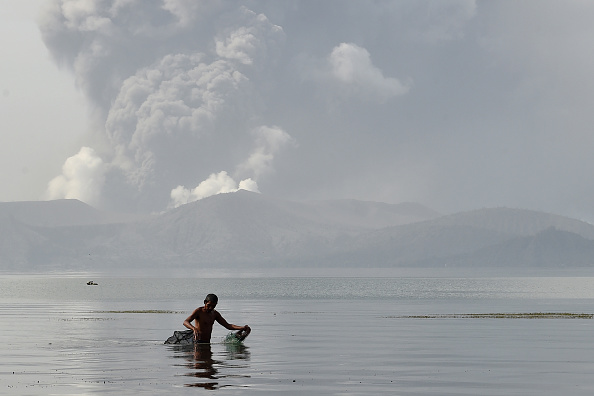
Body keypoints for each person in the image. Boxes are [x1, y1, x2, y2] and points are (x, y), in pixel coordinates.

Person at [183, 294, 250, 343]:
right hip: (197, 342)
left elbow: (228, 326)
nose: (210, 308)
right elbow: (185, 322)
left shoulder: (215, 314)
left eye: (213, 306)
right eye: (208, 305)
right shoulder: (198, 311)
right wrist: (194, 328)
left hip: (207, 342)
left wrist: (242, 328)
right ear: (205, 302)